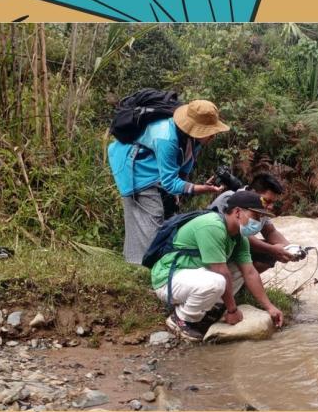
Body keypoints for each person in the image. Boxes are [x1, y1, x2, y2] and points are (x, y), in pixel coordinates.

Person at [150, 191, 285, 342]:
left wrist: (270, 307)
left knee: (239, 271)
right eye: (256, 216)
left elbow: (250, 272)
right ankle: (181, 318)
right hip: (168, 279)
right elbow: (221, 272)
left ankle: (209, 308)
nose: (259, 222)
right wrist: (232, 309)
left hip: (192, 276)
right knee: (218, 281)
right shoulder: (212, 226)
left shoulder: (239, 237)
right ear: (238, 212)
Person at [108, 100, 227, 264]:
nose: (213, 136)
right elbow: (170, 182)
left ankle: (144, 264)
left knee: (168, 217)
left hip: (156, 170)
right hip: (135, 169)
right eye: (210, 132)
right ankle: (143, 267)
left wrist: (179, 191)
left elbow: (184, 167)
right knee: (152, 218)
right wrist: (200, 189)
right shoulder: (166, 137)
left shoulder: (194, 139)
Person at [207, 173, 297, 273]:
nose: (270, 207)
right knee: (270, 251)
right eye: (267, 201)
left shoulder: (261, 207)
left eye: (273, 203)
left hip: (238, 246)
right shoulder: (230, 198)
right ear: (254, 192)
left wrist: (290, 249)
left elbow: (270, 232)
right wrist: (272, 249)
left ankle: (244, 284)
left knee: (269, 254)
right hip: (215, 248)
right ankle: (234, 280)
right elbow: (239, 233)